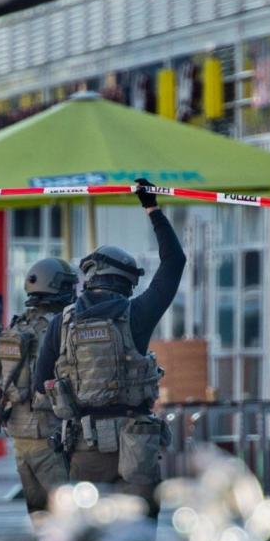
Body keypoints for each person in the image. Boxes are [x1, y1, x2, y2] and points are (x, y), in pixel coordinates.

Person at [34, 178, 186, 513]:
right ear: (128, 282)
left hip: (83, 448)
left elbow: (39, 383)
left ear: (91, 278)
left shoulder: (62, 321)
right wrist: (152, 208)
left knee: (91, 537)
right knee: (137, 539)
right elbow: (174, 262)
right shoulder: (137, 314)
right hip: (137, 445)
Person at [0, 258, 77, 516]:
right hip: (49, 433)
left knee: (38, 515)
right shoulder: (58, 326)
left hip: (20, 436)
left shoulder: (17, 325)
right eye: (68, 285)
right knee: (66, 516)